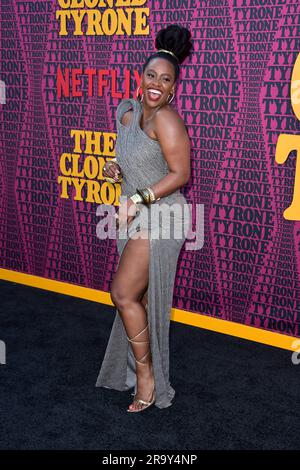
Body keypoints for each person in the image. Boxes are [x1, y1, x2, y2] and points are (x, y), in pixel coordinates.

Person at [95, 24, 193, 412]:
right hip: (134, 214)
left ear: (173, 88)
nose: (156, 84)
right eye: (151, 75)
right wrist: (114, 170)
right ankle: (140, 373)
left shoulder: (167, 121)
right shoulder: (127, 112)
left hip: (162, 216)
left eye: (165, 80)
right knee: (134, 296)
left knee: (122, 293)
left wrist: (136, 196)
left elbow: (180, 175)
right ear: (141, 77)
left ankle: (148, 378)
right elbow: (129, 158)